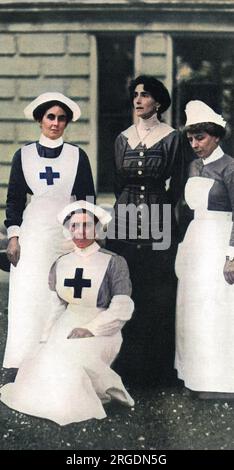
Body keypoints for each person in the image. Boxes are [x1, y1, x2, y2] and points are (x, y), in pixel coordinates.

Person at [0, 200, 134, 425]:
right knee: (42, 363)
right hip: (67, 324)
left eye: (86, 225)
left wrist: (90, 329)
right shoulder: (61, 263)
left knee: (70, 364)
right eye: (74, 226)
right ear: (67, 229)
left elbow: (122, 308)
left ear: (97, 228)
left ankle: (95, 392)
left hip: (102, 328)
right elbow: (56, 307)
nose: (80, 231)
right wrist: (45, 338)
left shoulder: (114, 262)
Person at [106, 75, 194, 385]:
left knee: (159, 290)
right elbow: (118, 183)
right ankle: (124, 368)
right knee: (125, 285)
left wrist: (165, 215)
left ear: (157, 102)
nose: (138, 100)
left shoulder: (172, 137)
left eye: (145, 95)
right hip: (126, 217)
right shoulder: (122, 138)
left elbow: (181, 185)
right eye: (136, 95)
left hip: (160, 215)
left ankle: (157, 370)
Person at [3, 92, 95, 372]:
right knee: (30, 294)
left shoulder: (77, 155)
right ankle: (24, 359)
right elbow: (15, 200)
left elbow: (87, 200)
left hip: (66, 235)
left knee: (64, 294)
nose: (55, 123)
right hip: (34, 234)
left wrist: (84, 238)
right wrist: (14, 237)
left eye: (61, 118)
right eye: (50, 117)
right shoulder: (24, 155)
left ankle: (61, 359)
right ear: (40, 119)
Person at [175, 100, 234, 398]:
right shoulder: (193, 166)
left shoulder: (230, 167)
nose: (196, 145)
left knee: (218, 308)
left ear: (217, 137)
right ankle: (194, 378)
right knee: (193, 309)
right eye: (191, 139)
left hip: (221, 239)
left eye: (201, 138)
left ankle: (221, 382)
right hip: (197, 240)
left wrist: (232, 256)